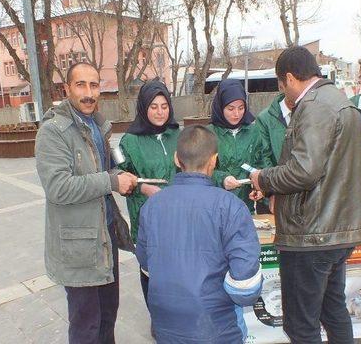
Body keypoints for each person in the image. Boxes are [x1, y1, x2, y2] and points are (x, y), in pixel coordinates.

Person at [249, 46, 361, 344]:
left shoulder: (315, 106)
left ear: (289, 78)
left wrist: (262, 178)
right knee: (333, 312)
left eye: (281, 86)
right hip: (333, 230)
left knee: (301, 325)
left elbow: (303, 171)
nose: (284, 95)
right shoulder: (339, 100)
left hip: (312, 234)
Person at [35, 62, 138, 344]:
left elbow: (100, 171)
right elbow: (58, 188)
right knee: (86, 326)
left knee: (107, 316)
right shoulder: (53, 131)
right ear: (66, 89)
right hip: (77, 245)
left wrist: (121, 177)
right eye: (81, 85)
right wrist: (110, 181)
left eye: (94, 85)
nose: (89, 93)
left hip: (104, 238)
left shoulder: (96, 125)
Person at [136, 125, 263, 344]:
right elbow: (246, 288)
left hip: (166, 326)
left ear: (177, 159)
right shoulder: (231, 206)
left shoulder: (152, 205)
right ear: (214, 160)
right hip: (217, 328)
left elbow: (147, 266)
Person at [117, 80, 180, 305]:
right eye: (153, 106)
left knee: (176, 268)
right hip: (147, 217)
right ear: (144, 108)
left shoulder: (177, 134)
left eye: (164, 106)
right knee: (150, 270)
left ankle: (176, 311)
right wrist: (143, 188)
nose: (160, 112)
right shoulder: (129, 141)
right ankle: (157, 315)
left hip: (177, 216)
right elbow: (120, 177)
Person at [208, 79, 270, 211]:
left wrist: (259, 187)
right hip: (215, 206)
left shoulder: (254, 131)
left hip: (245, 207)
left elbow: (261, 163)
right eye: (230, 109)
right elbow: (200, 169)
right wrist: (222, 179)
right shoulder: (209, 133)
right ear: (220, 106)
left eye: (241, 108)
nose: (236, 114)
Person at [255, 90, 293, 214]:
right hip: (274, 191)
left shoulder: (308, 114)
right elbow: (263, 157)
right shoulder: (265, 118)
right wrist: (272, 191)